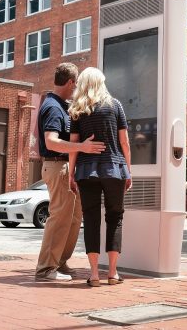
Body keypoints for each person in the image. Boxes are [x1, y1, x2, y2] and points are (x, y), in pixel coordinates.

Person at [35, 63, 105, 282]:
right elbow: (51, 141)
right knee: (60, 217)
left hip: (65, 167)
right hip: (57, 165)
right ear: (71, 82)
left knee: (74, 218)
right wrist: (82, 147)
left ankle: (59, 261)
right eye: (76, 85)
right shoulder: (53, 107)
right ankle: (46, 268)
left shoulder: (60, 105)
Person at [67, 67, 132, 287]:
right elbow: (124, 142)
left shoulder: (78, 109)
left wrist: (71, 173)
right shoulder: (116, 106)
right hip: (114, 168)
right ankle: (112, 273)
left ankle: (94, 274)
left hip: (86, 171)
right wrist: (128, 170)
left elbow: (74, 146)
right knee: (115, 218)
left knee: (91, 220)